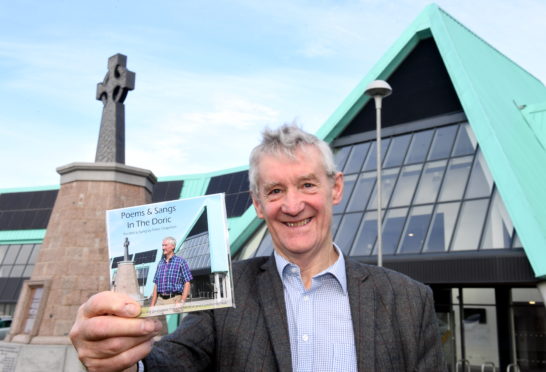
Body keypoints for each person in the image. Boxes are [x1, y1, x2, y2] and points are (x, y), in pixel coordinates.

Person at [70, 124, 446, 371]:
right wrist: (125, 360)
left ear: (336, 188)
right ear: (258, 203)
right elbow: (175, 360)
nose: (293, 205)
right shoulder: (226, 291)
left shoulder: (409, 301)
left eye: (308, 185)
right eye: (276, 190)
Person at [150, 237, 192, 307]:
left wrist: (182, 301)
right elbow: (156, 284)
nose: (163, 248)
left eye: (165, 245)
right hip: (159, 301)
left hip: (174, 300)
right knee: (155, 318)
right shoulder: (160, 263)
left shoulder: (181, 262)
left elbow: (187, 283)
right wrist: (152, 305)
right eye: (162, 245)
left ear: (173, 246)